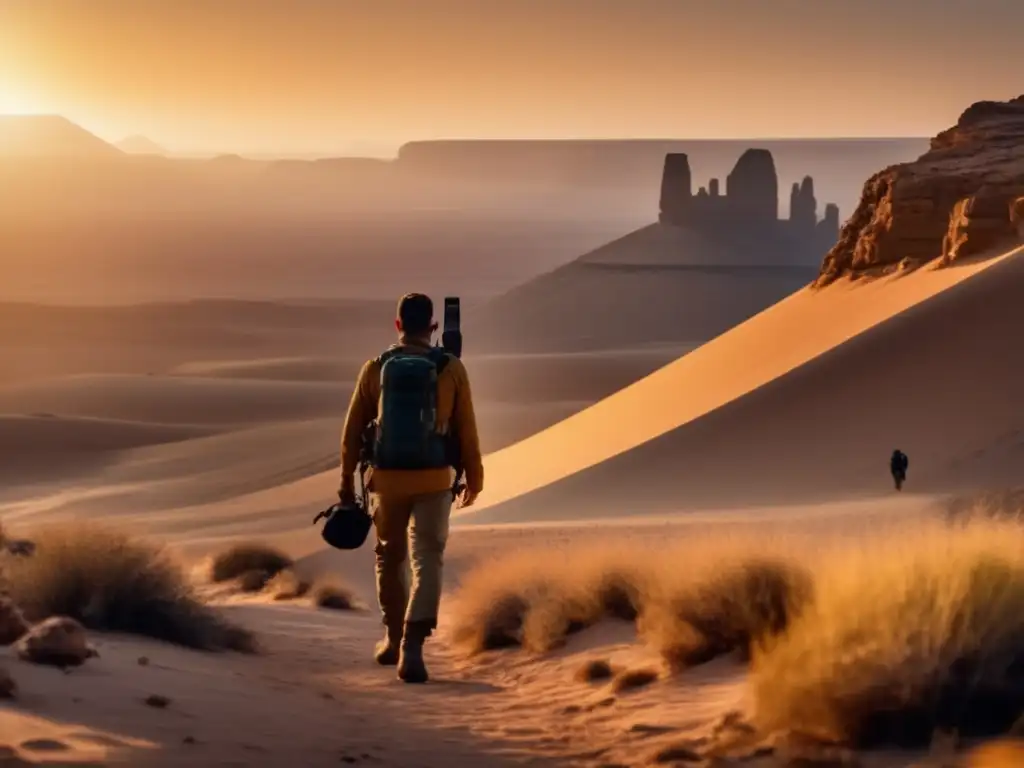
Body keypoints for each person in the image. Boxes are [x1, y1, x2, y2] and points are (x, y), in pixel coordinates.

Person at [339, 293, 483, 684]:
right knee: (428, 558)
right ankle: (413, 647)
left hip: (387, 481)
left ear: (398, 325)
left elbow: (352, 434)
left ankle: (392, 638)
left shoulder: (375, 368)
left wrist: (345, 488)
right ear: (433, 327)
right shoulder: (450, 368)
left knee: (390, 556)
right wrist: (475, 477)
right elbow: (466, 429)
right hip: (435, 479)